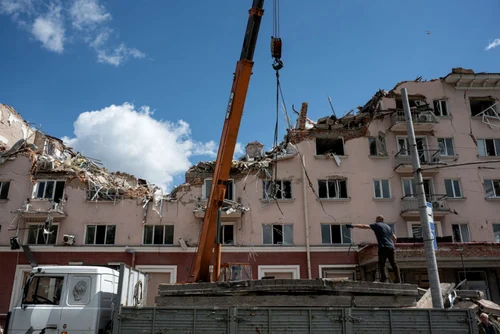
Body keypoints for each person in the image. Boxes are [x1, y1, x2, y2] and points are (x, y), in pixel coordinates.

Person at [347, 215, 401, 283]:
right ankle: (398, 279)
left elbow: (364, 226)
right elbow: (395, 238)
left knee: (382, 263)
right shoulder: (388, 227)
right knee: (394, 263)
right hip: (391, 247)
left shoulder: (377, 225)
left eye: (376, 220)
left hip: (383, 246)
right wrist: (393, 245)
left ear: (378, 220)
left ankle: (383, 279)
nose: (375, 221)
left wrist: (352, 225)